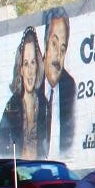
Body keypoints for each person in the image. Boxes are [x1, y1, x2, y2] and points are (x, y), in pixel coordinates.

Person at [0, 27, 43, 158]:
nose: (30, 70)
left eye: (33, 62)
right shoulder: (12, 106)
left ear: (38, 65)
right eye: (26, 64)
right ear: (20, 69)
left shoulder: (44, 105)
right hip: (18, 169)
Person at [37, 11, 76, 160]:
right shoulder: (32, 86)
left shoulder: (69, 87)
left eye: (63, 49)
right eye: (54, 44)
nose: (58, 56)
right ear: (45, 43)